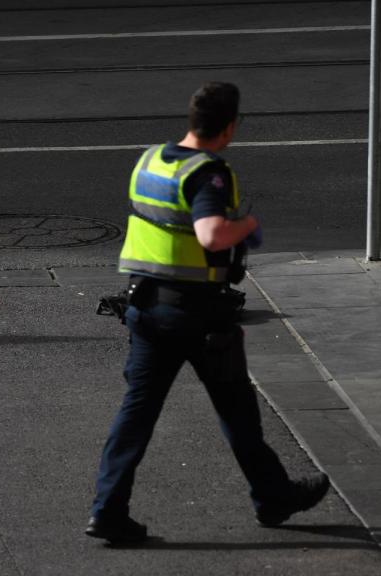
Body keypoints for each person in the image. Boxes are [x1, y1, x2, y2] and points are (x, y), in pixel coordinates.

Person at [85, 82, 329, 545]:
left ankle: (107, 510)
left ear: (192, 119)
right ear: (230, 127)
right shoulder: (209, 173)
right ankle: (273, 498)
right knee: (237, 411)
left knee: (135, 415)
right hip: (199, 317)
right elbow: (212, 235)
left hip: (144, 306)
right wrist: (249, 226)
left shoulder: (152, 158)